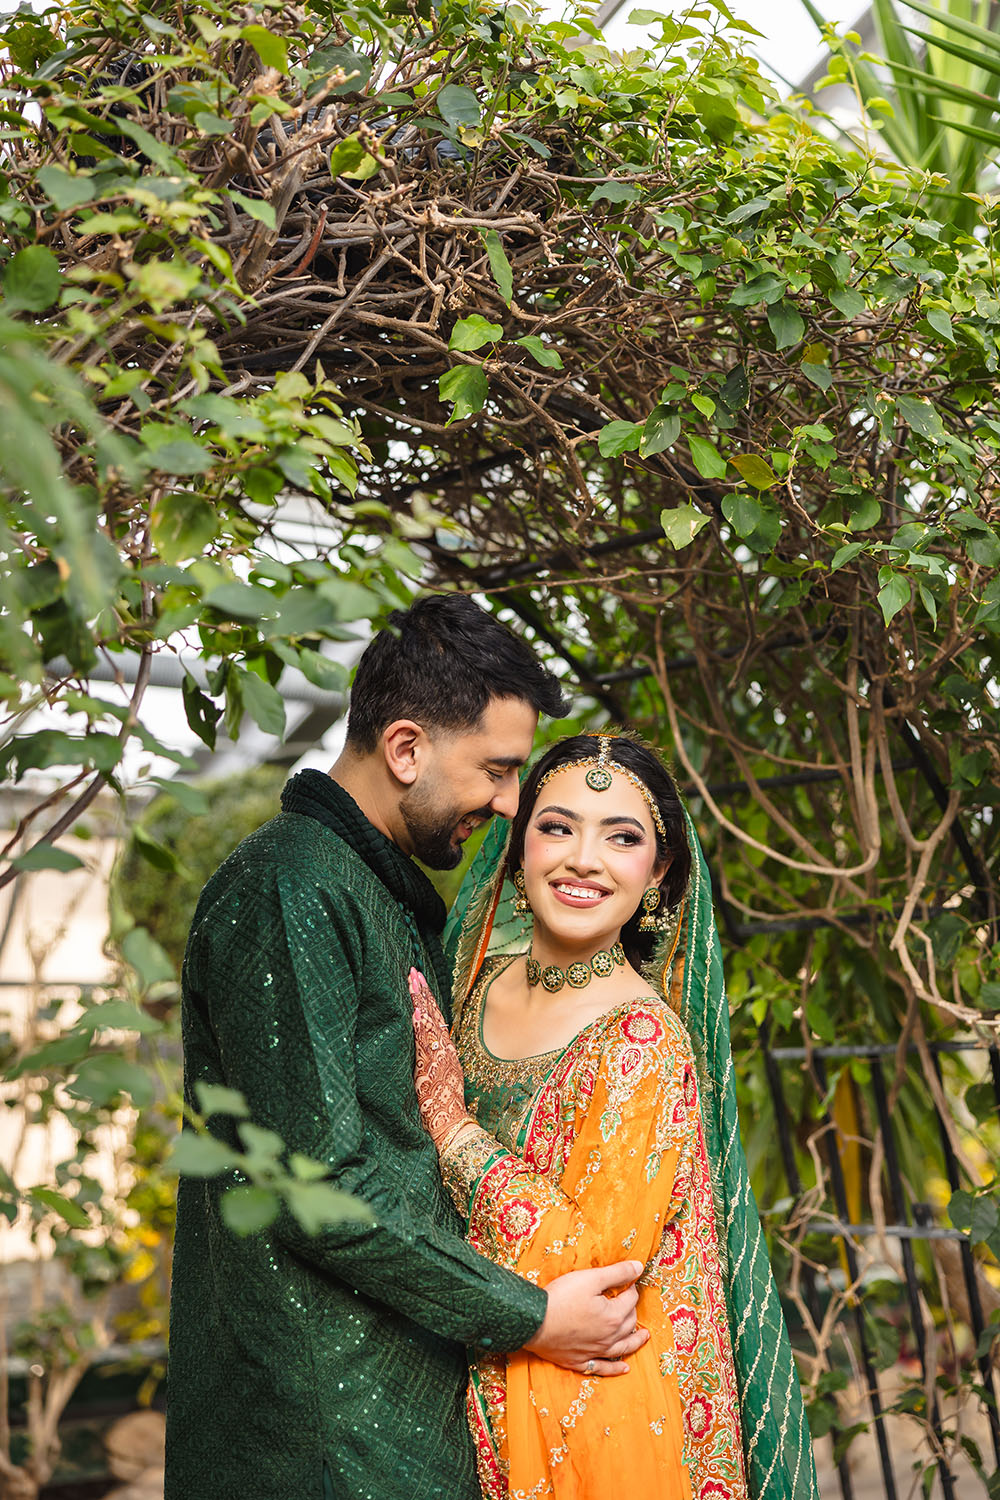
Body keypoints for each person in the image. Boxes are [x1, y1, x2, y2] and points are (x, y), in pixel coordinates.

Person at [164, 597, 649, 1500]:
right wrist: (532, 1315)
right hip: (324, 1434)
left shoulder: (373, 888)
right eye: (497, 770)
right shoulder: (291, 889)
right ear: (406, 749)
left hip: (388, 1406)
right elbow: (315, 1185)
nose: (510, 803)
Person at [411, 732, 820, 1500]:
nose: (583, 860)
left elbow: (593, 1264)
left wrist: (452, 1128)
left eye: (622, 838)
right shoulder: (473, 985)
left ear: (658, 871)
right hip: (461, 1372)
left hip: (598, 1418)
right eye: (556, 827)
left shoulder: (641, 1039)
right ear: (517, 846)